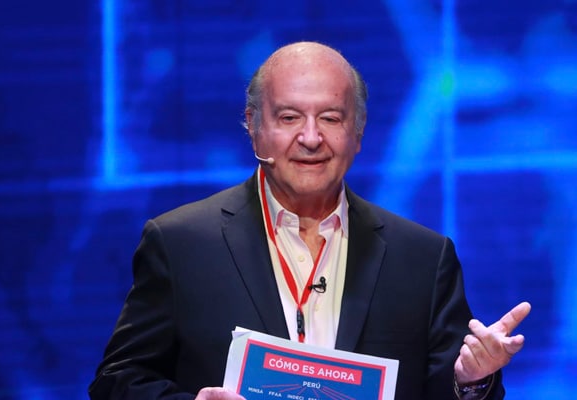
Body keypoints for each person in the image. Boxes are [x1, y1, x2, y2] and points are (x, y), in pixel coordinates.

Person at [89, 41, 531, 400]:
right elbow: (117, 381)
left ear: (358, 132)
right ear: (253, 127)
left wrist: (471, 381)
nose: (311, 137)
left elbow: (448, 390)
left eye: (331, 118)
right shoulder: (180, 243)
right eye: (289, 117)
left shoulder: (423, 257)